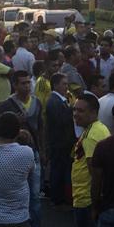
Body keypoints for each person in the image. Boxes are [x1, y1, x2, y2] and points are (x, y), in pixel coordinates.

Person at [60, 94, 109, 227]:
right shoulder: (95, 130)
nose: (75, 114)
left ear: (93, 112)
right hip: (86, 198)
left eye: (80, 111)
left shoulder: (92, 136)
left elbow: (95, 172)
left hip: (87, 201)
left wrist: (96, 203)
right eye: (74, 110)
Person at [0, 71, 47, 227]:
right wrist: (14, 122)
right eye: (22, 83)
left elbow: (40, 127)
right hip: (13, 155)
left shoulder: (37, 103)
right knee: (14, 193)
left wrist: (42, 150)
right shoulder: (6, 105)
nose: (27, 86)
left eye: (28, 83)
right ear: (14, 85)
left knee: (34, 194)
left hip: (33, 153)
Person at [43, 72, 75, 208]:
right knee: (58, 170)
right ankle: (57, 198)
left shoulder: (60, 99)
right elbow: (60, 121)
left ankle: (60, 196)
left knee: (61, 169)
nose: (66, 86)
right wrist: (72, 110)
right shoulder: (54, 101)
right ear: (55, 85)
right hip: (59, 142)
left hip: (62, 142)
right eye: (64, 84)